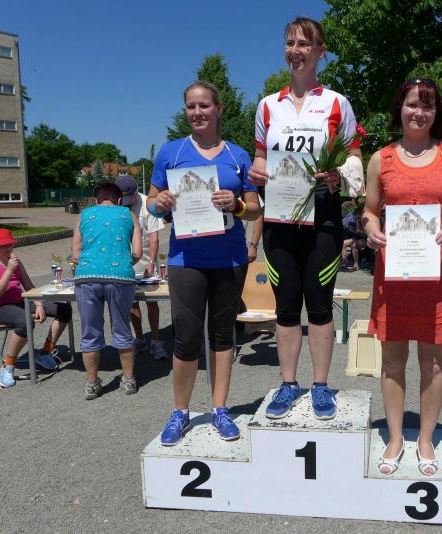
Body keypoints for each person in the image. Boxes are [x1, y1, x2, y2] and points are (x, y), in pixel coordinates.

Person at [247, 17, 364, 420]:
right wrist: (257, 172)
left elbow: (354, 156)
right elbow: (261, 157)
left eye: (303, 44)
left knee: (319, 305)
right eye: (289, 43)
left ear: (320, 51)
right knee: (284, 307)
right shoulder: (267, 105)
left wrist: (340, 176)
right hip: (279, 219)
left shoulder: (337, 103)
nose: (294, 51)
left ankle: (320, 385)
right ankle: (287, 384)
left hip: (323, 216)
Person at [362, 78, 442, 476]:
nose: (419, 112)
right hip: (393, 277)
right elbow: (369, 210)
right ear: (400, 108)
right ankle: (395, 437)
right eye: (412, 104)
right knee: (392, 361)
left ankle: (425, 438)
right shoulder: (381, 159)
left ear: (435, 113)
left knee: (434, 363)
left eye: (427, 106)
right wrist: (371, 229)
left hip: (435, 277)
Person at [146, 81, 261, 444]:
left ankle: (220, 409)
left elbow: (255, 208)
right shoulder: (172, 152)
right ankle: (180, 412)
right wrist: (159, 204)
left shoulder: (237, 156)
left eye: (204, 106)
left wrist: (236, 204)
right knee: (186, 337)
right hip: (186, 258)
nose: (197, 113)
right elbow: (150, 202)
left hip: (229, 258)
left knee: (223, 335)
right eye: (191, 107)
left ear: (218, 109)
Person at [0, 228, 73, 388]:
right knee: (25, 321)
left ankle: (45, 352)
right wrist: (9, 270)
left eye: (10, 245)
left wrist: (39, 305)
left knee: (64, 310)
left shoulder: (15, 261)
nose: (8, 249)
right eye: (2, 246)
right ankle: (8, 366)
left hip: (20, 302)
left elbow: (29, 287)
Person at [71, 182, 142, 400]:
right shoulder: (129, 215)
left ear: (96, 199)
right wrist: (121, 261)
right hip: (120, 277)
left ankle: (92, 383)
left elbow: (75, 255)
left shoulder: (83, 216)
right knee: (122, 328)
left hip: (87, 277)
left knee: (90, 331)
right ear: (119, 200)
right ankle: (128, 380)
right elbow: (138, 252)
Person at [115, 175, 168, 360]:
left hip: (145, 261)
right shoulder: (117, 205)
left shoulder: (147, 205)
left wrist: (152, 262)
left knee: (151, 302)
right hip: (126, 263)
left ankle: (155, 340)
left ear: (137, 191)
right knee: (132, 303)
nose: (127, 203)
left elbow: (154, 238)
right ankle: (139, 339)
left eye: (130, 198)